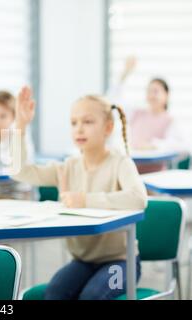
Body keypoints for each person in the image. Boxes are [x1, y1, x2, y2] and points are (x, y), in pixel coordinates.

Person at [12, 86, 147, 300]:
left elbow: (139, 199)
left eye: (88, 122)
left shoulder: (121, 162)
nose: (79, 129)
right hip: (84, 262)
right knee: (54, 293)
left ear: (108, 127)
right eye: (74, 123)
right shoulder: (68, 166)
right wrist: (20, 125)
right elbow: (20, 171)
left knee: (92, 296)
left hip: (122, 263)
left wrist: (85, 199)